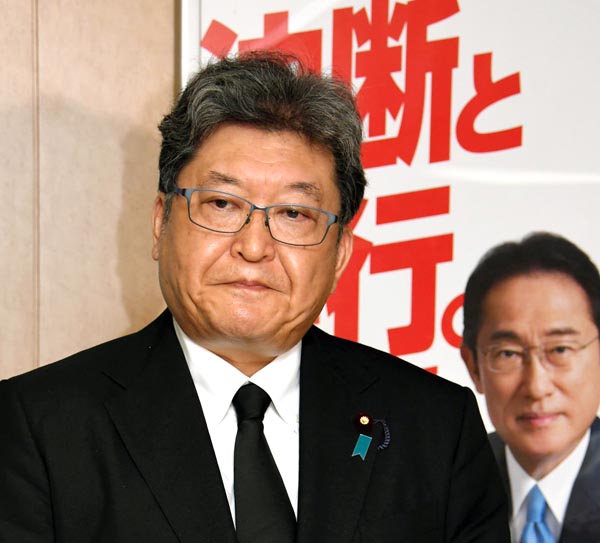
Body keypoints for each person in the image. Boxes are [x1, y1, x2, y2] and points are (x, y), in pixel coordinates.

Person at [0, 50, 508, 542]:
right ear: (160, 223)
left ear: (340, 253)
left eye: (294, 214)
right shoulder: (38, 426)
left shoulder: (436, 426)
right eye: (222, 204)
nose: (254, 246)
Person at [461, 232, 600, 543]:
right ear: (474, 367)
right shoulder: (448, 482)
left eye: (560, 349)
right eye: (508, 354)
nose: (537, 387)